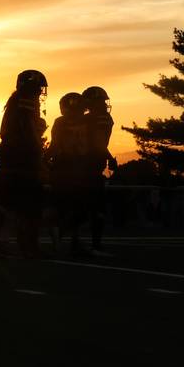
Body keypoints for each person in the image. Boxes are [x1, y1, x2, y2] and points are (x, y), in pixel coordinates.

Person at [0, 70, 48, 259]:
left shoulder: (16, 99)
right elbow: (27, 129)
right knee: (31, 203)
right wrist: (38, 152)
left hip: (11, 155)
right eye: (37, 87)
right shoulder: (25, 100)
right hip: (20, 156)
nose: (39, 92)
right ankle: (28, 245)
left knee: (9, 201)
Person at [44, 92, 88, 255]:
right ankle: (70, 238)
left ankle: (59, 235)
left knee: (60, 206)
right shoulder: (87, 122)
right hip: (80, 168)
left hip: (63, 167)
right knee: (77, 207)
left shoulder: (61, 122)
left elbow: (54, 145)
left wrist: (43, 160)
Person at [81, 86, 117, 256]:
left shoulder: (82, 119)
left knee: (79, 206)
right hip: (90, 165)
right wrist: (110, 157)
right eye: (100, 100)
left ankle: (68, 238)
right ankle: (95, 245)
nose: (103, 104)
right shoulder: (102, 117)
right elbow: (98, 143)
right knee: (97, 207)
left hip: (77, 165)